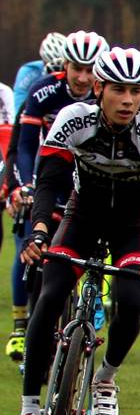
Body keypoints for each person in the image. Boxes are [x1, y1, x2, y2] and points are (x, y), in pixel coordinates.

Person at [5, 47, 140, 415]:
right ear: (98, 88)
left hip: (135, 223)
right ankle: (29, 410)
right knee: (48, 297)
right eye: (118, 89)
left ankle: (105, 378)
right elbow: (48, 181)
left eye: (137, 90)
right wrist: (40, 231)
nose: (129, 100)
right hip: (81, 216)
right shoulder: (72, 120)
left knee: (132, 301)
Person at [6, 31, 111, 363]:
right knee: (36, 255)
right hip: (49, 177)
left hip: (92, 183)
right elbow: (22, 146)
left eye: (89, 69)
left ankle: (92, 303)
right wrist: (23, 185)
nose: (81, 77)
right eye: (75, 68)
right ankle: (28, 325)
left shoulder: (112, 95)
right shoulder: (43, 90)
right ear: (63, 64)